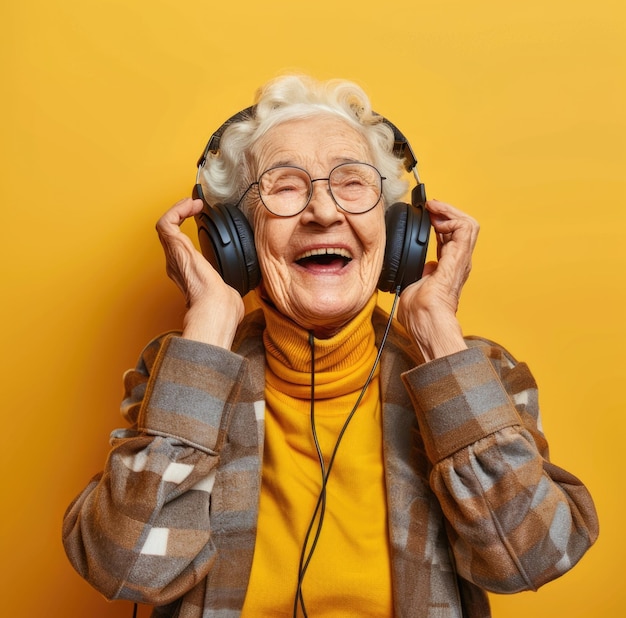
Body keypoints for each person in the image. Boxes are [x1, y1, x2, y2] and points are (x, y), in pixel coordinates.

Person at [62, 74, 598, 618]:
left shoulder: (476, 372)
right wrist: (207, 329)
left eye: (353, 182)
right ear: (235, 237)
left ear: (396, 228)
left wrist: (438, 334)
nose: (323, 212)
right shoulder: (175, 373)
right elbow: (125, 568)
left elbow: (532, 558)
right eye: (286, 185)